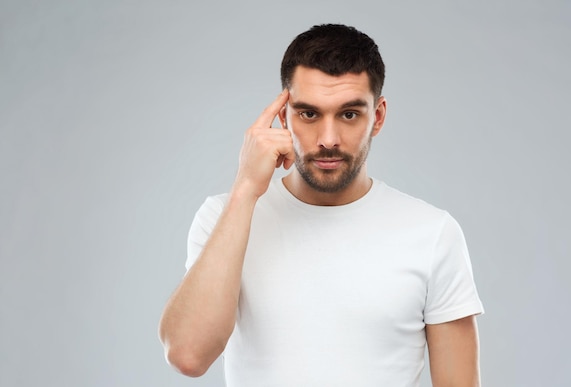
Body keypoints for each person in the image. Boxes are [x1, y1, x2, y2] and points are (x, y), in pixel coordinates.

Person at [159, 24, 484, 386]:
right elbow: (187, 355)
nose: (328, 140)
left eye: (348, 114)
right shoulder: (226, 216)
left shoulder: (433, 233)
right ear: (283, 116)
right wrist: (246, 189)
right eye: (309, 114)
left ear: (376, 117)